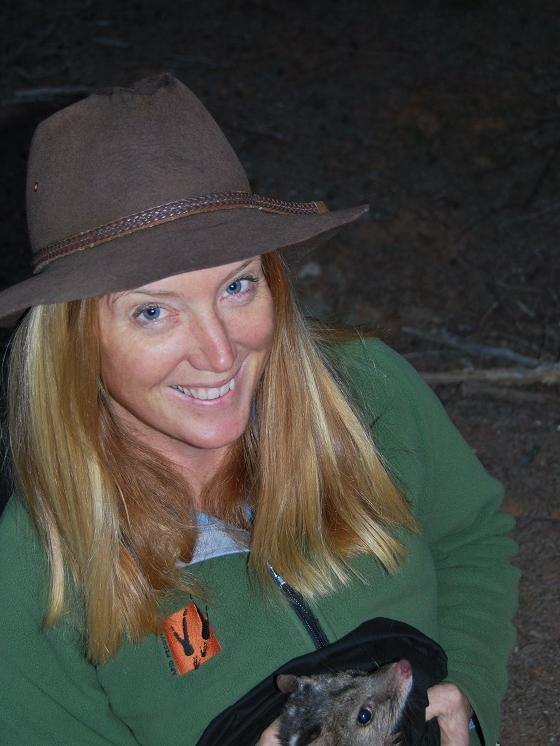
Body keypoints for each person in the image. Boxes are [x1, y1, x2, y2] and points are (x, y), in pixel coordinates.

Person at [0, 73, 518, 746]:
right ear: (73, 343)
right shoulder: (37, 560)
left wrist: (467, 696)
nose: (219, 352)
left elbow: (471, 541)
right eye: (153, 311)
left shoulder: (367, 390)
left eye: (238, 284)